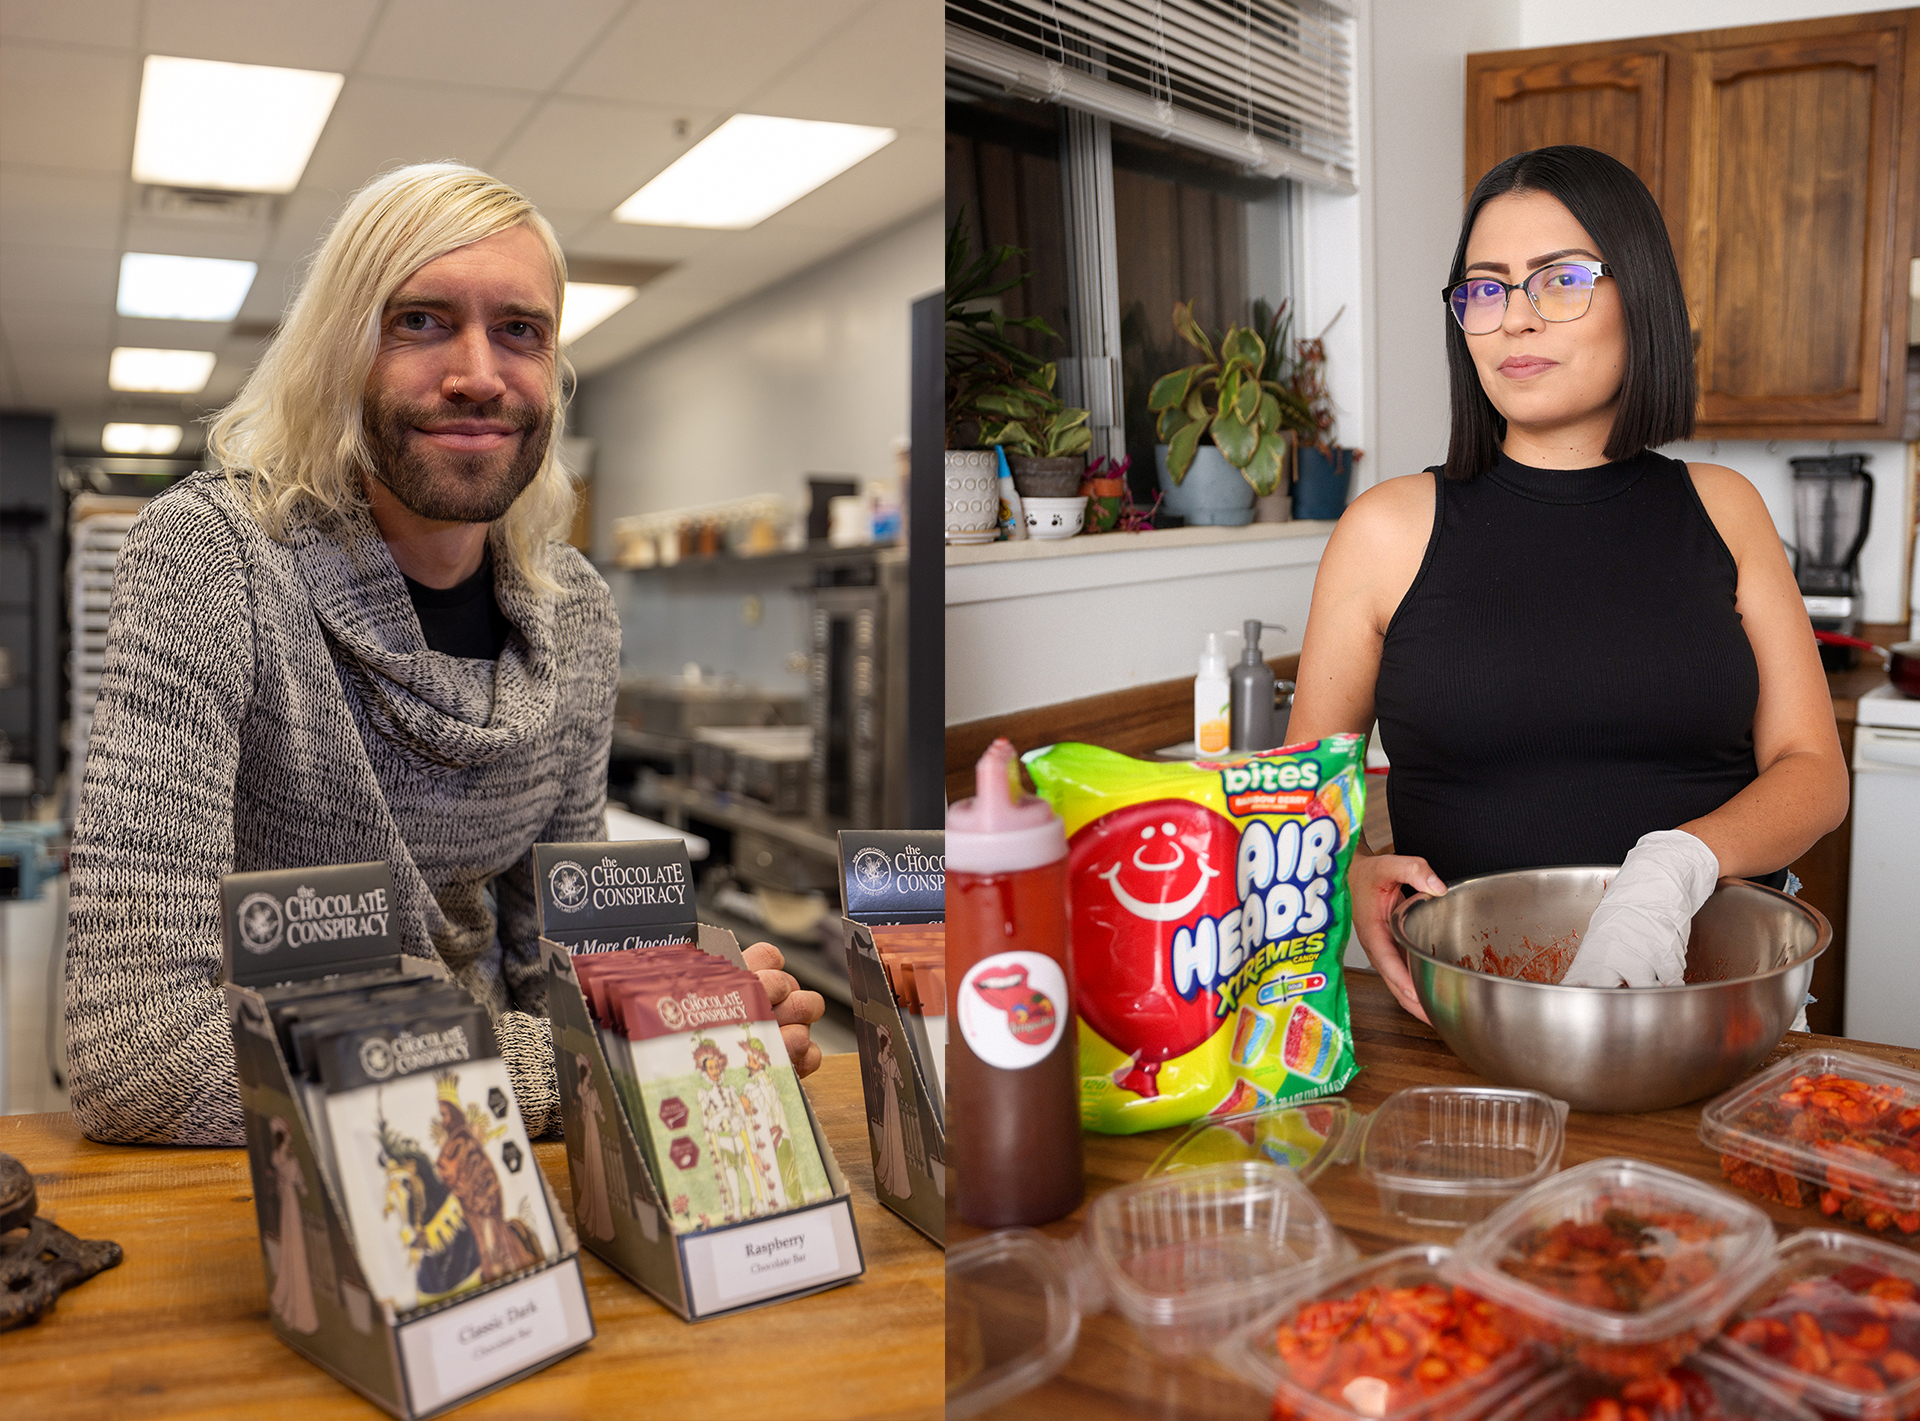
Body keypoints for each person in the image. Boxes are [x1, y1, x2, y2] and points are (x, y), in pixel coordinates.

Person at [64, 163, 825, 1146]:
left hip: (507, 1156)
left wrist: (693, 1013)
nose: (478, 373)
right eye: (420, 320)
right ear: (344, 353)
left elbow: (558, 959)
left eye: (521, 329)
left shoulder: (577, 614)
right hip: (267, 1175)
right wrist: (595, 1053)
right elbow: (134, 1049)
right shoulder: (214, 561)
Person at [1284, 145, 1848, 1021]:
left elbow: (1814, 771)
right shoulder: (1386, 531)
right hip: (1468, 1018)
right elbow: (1301, 789)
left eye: (1560, 279)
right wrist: (1351, 867)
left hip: (1716, 1008)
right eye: (1486, 288)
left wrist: (1675, 865)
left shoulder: (1725, 509)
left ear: (1641, 296)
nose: (1515, 319)